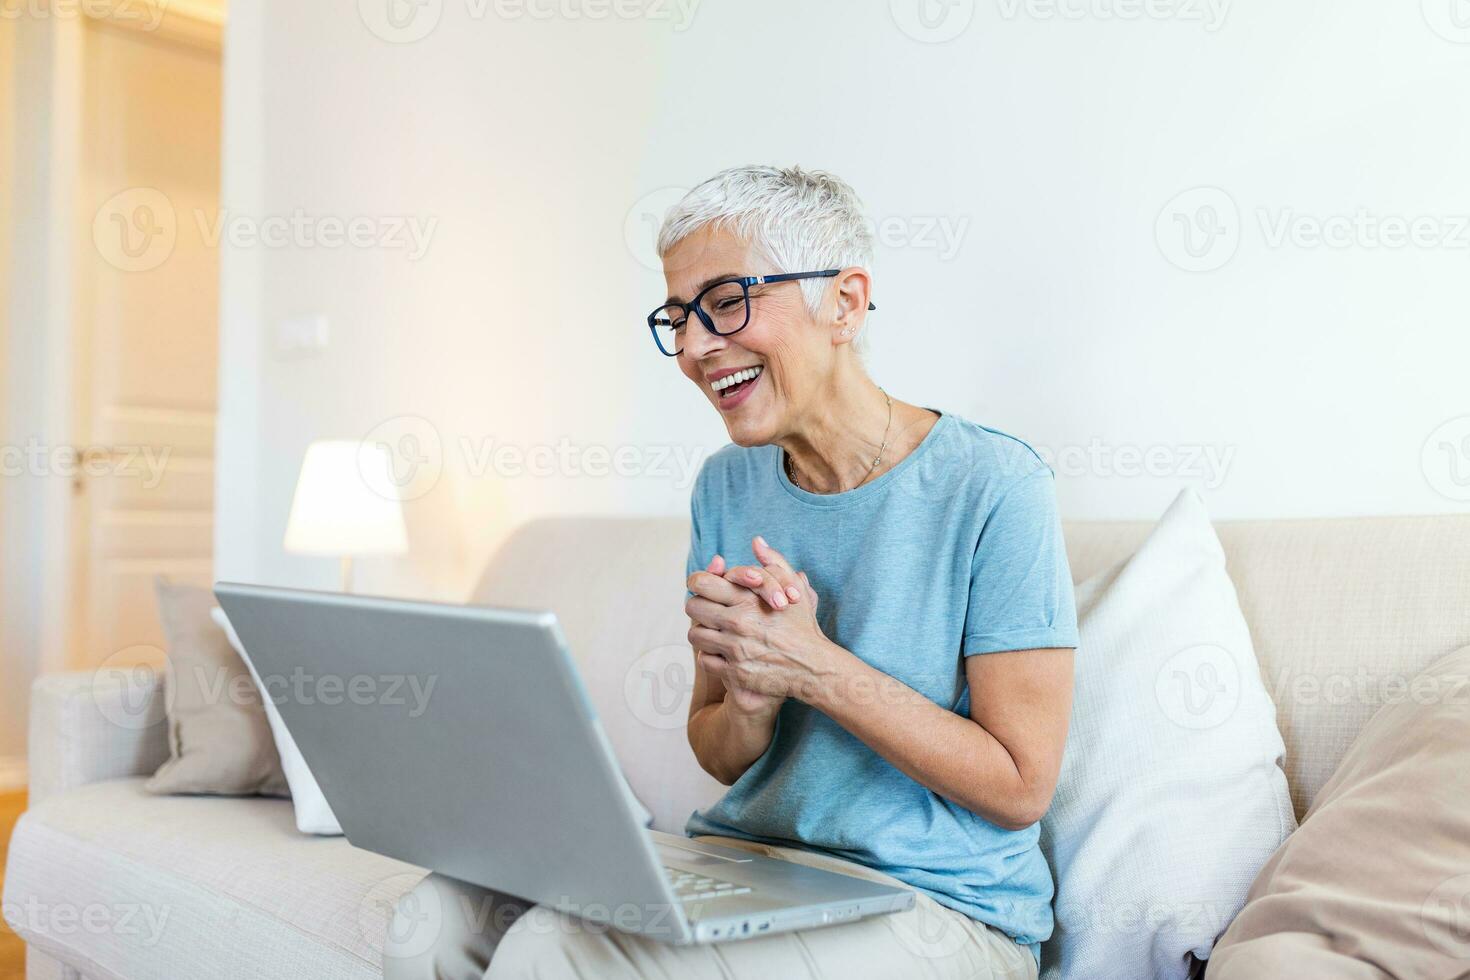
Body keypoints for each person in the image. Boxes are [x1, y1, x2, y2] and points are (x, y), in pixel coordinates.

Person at [386, 165, 1078, 980]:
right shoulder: (727, 483)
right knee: (432, 919)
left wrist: (814, 666)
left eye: (725, 303)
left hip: (938, 907)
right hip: (751, 865)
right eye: (677, 318)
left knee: (554, 951)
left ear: (845, 303)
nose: (694, 348)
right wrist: (751, 702)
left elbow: (1021, 784)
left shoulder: (996, 486)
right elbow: (717, 752)